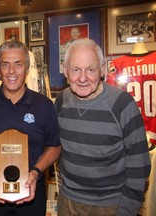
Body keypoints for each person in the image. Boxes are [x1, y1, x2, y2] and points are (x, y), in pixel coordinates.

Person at [54, 38, 151, 216]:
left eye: (90, 69)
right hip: (67, 202)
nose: (82, 78)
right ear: (66, 71)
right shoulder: (61, 101)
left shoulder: (122, 104)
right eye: (76, 70)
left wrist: (126, 211)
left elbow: (140, 166)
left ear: (102, 69)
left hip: (110, 206)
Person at [0, 40, 61, 216]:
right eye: (5, 65)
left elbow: (54, 146)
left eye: (18, 64)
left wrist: (35, 172)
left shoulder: (44, 105)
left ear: (26, 68)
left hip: (32, 194)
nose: (11, 71)